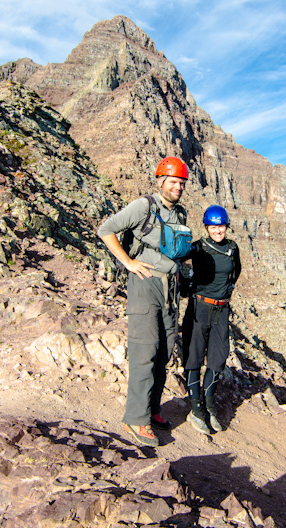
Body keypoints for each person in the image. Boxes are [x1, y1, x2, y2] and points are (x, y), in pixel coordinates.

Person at [97, 156, 189, 447]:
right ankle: (136, 418)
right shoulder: (143, 206)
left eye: (181, 183)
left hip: (170, 290)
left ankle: (153, 409)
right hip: (145, 287)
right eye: (173, 182)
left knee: (164, 351)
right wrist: (127, 262)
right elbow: (106, 230)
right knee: (145, 351)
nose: (178, 188)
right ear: (160, 181)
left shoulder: (180, 213)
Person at [182, 205, 241, 434]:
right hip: (199, 307)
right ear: (207, 227)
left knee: (217, 358)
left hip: (221, 310)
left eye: (222, 226)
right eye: (214, 226)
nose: (218, 230)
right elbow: (176, 260)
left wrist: (224, 292)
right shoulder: (198, 247)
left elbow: (236, 272)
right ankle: (195, 410)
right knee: (194, 357)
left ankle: (209, 405)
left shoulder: (232, 248)